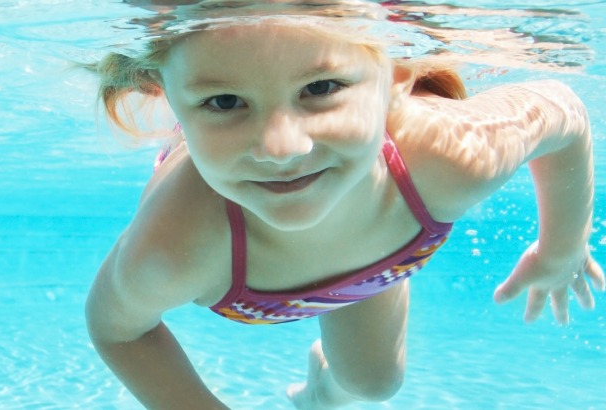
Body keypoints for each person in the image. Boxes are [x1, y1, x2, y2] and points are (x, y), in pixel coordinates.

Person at [84, 14, 603, 410]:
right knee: (378, 383)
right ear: (169, 99)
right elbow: (117, 328)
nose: (281, 147)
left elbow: (563, 110)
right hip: (359, 245)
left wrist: (562, 245)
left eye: (321, 88)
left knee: (374, 385)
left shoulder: (447, 159)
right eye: (223, 102)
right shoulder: (174, 248)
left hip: (380, 251)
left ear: (398, 73)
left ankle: (321, 396)